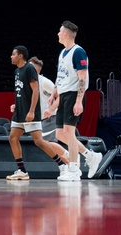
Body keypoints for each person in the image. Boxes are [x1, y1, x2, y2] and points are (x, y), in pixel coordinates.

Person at [44, 20, 101, 182]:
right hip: (63, 95)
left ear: (66, 34)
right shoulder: (62, 53)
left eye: (59, 31)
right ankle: (90, 156)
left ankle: (74, 170)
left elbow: (82, 78)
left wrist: (78, 101)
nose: (57, 33)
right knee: (60, 134)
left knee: (69, 132)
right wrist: (54, 92)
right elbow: (60, 76)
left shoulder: (78, 52)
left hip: (74, 95)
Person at [6, 46, 67, 180]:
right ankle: (22, 171)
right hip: (19, 113)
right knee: (12, 138)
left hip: (30, 112)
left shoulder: (29, 69)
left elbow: (35, 91)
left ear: (20, 56)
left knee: (39, 141)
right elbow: (21, 92)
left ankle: (62, 165)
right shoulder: (17, 71)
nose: (11, 56)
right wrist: (16, 105)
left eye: (13, 54)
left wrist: (32, 111)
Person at [29, 56, 58, 143]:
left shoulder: (45, 82)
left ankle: (66, 155)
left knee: (49, 146)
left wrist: (51, 109)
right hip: (36, 121)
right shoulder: (29, 82)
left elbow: (60, 97)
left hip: (49, 120)